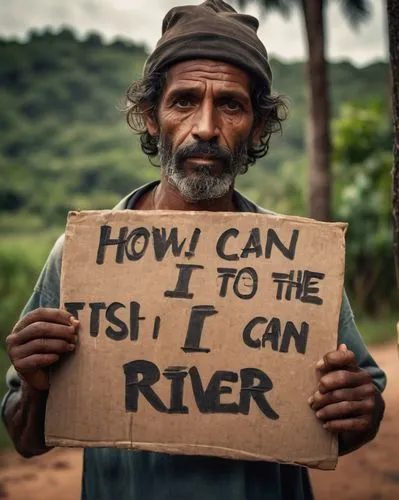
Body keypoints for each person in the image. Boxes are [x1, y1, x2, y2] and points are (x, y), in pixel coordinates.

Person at [2, 1, 386, 499]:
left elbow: (356, 418)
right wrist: (34, 383)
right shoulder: (82, 256)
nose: (206, 127)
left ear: (258, 128)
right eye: (184, 101)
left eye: (231, 104)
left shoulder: (298, 260)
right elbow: (25, 439)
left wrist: (360, 409)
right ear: (150, 118)